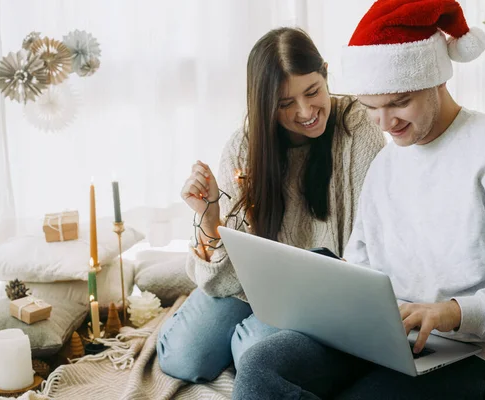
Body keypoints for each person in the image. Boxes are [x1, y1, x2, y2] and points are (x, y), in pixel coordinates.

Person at [232, 1, 485, 399]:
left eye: (399, 103)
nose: (387, 123)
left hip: (477, 353)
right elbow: (362, 266)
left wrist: (452, 312)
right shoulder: (387, 163)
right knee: (259, 368)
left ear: (437, 79)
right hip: (386, 337)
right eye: (372, 108)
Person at [156, 27, 387, 384]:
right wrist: (209, 217)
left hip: (318, 293)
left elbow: (369, 244)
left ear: (325, 73)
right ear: (264, 104)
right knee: (183, 358)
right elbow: (223, 281)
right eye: (285, 104)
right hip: (251, 284)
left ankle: (244, 337)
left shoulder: (358, 128)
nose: (306, 111)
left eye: (313, 92)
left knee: (255, 358)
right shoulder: (244, 148)